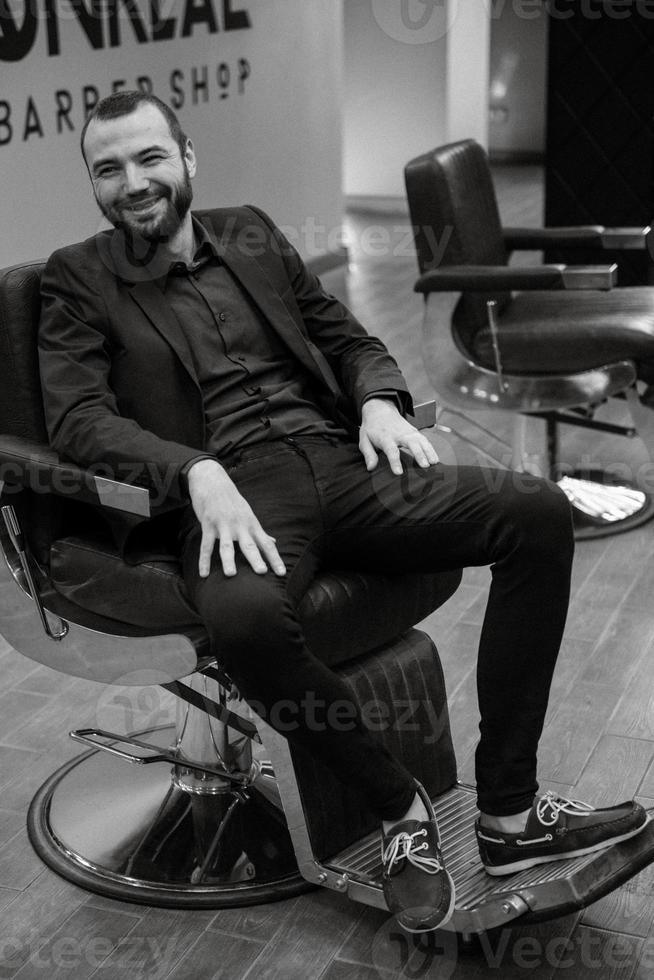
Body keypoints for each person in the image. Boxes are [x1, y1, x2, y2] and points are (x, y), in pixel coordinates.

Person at [37, 92, 649, 934]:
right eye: (108, 169)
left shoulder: (247, 232)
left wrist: (380, 401)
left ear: (186, 157)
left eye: (148, 158)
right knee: (245, 619)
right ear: (94, 186)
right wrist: (193, 471)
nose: (132, 183)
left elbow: (344, 334)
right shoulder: (79, 276)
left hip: (342, 460)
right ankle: (399, 812)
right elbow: (77, 419)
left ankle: (509, 815)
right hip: (235, 496)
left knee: (537, 514)